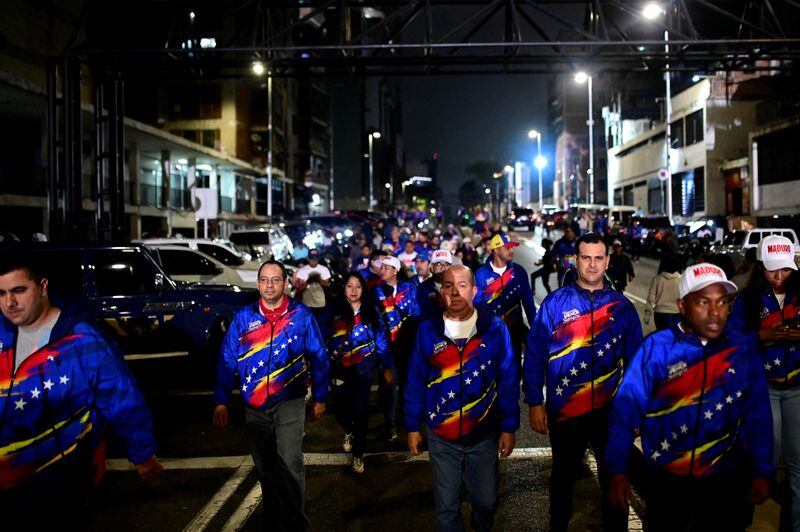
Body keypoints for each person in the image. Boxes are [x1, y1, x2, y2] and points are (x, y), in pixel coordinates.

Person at [607, 262, 774, 532]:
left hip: (725, 480)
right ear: (682, 306)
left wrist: (763, 470)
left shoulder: (741, 349)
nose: (715, 313)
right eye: (703, 302)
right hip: (667, 481)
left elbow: (758, 415)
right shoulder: (657, 349)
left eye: (722, 302)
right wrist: (617, 469)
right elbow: (625, 411)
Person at [0, 256, 162, 527]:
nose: (9, 303)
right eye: (1, 293)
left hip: (59, 482)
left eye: (18, 290)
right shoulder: (2, 335)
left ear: (42, 287)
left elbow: (121, 397)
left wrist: (142, 453)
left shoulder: (82, 339)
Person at [524, 232, 643, 532]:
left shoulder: (622, 307)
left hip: (611, 413)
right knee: (562, 477)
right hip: (565, 411)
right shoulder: (554, 304)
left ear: (607, 261)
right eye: (586, 258)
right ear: (575, 260)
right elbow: (535, 355)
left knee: (614, 479)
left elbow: (637, 365)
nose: (592, 264)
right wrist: (535, 403)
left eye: (598, 258)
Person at [213, 260, 329, 531]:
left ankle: (296, 523)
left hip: (289, 400)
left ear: (286, 283)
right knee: (265, 468)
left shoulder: (301, 316)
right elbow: (227, 359)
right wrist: (220, 400)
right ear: (257, 284)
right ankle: (273, 519)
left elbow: (319, 357)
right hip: (254, 406)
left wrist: (321, 397)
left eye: (275, 280)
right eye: (264, 280)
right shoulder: (243, 317)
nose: (269, 285)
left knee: (290, 463)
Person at [405, 265, 519, 532]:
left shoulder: (494, 327)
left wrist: (509, 426)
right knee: (446, 508)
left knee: (486, 502)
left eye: (462, 285)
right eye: (448, 286)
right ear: (441, 292)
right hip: (441, 435)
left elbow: (509, 379)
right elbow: (414, 381)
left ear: (474, 290)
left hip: (483, 433)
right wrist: (412, 426)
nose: (455, 292)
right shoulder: (427, 330)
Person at [731, 235, 800, 531]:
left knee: (798, 467)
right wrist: (762, 336)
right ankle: (745, 522)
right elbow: (731, 343)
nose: (779, 276)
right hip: (764, 391)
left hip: (797, 390)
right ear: (761, 267)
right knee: (763, 460)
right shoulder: (747, 301)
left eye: (785, 269)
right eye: (773, 269)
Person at [325, 273, 393, 475]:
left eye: (358, 286)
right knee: (338, 408)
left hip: (364, 369)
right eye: (349, 286)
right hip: (339, 368)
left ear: (363, 290)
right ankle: (349, 431)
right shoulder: (333, 311)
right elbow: (320, 337)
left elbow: (381, 341)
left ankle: (358, 454)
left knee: (361, 411)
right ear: (343, 288)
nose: (354, 290)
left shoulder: (372, 312)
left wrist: (385, 366)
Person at [371, 255, 420, 441]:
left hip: (408, 346)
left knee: (410, 385)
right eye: (380, 267)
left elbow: (417, 314)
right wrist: (382, 352)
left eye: (386, 267)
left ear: (395, 270)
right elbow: (375, 323)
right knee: (389, 385)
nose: (382, 270)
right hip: (387, 347)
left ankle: (410, 422)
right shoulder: (375, 292)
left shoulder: (409, 288)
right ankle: (390, 425)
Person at [473, 233, 537, 359]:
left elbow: (529, 304)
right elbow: (477, 306)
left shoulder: (518, 271)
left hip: (515, 331)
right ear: (496, 250)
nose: (511, 251)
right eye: (507, 248)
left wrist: (535, 329)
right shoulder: (481, 274)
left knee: (515, 370)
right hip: (491, 333)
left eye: (512, 247)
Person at [644, 254, 682, 330]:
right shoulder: (681, 280)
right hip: (676, 313)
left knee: (662, 335)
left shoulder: (657, 279)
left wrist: (647, 314)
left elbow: (651, 298)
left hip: (660, 313)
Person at [293, 249, 331, 319]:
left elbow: (328, 285)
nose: (313, 260)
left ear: (318, 259)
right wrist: (309, 281)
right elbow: (299, 288)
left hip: (320, 303)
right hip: (308, 303)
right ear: (308, 258)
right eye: (311, 258)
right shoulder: (302, 270)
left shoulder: (324, 269)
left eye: (315, 259)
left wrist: (319, 280)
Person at [417, 250, 453, 322]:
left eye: (447, 264)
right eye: (439, 264)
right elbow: (420, 314)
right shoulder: (422, 288)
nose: (443, 268)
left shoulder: (457, 287)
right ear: (432, 267)